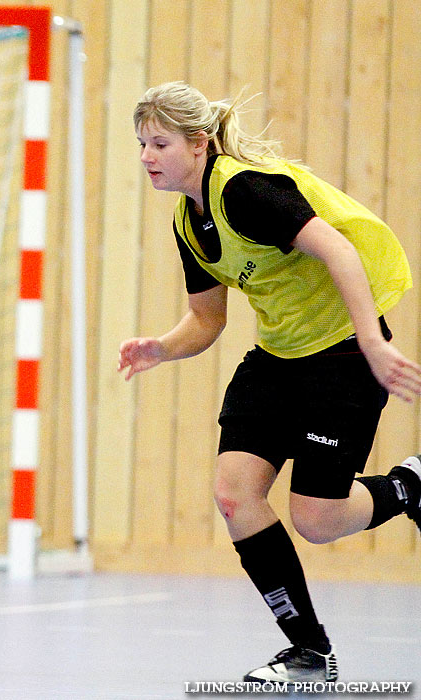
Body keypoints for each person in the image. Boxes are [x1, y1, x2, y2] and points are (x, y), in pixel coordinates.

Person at [122, 81, 421, 683]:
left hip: (341, 356)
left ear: (200, 144)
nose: (148, 156)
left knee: (316, 519)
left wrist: (372, 342)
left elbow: (338, 250)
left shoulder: (246, 191)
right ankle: (310, 651)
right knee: (234, 495)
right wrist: (162, 347)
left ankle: (409, 488)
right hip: (277, 359)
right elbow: (207, 320)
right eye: (141, 145)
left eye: (160, 143)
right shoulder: (189, 220)